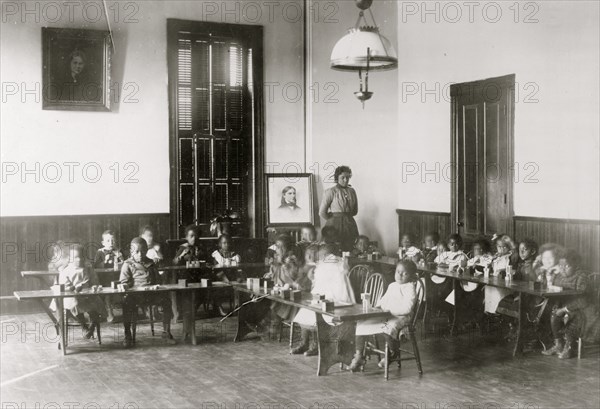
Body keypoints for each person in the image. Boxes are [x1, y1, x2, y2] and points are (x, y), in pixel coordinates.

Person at [349, 260, 418, 371]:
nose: (400, 275)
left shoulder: (410, 288)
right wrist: (375, 309)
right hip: (387, 315)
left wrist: (389, 310)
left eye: (404, 273)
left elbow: (407, 308)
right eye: (398, 271)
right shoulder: (392, 286)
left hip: (402, 316)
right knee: (361, 323)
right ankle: (359, 355)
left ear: (411, 276)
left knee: (388, 327)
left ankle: (392, 353)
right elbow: (383, 301)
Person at [291, 244, 356, 356]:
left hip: (338, 300)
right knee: (306, 311)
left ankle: (317, 344)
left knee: (316, 314)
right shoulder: (326, 265)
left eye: (320, 256)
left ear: (327, 255)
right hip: (325, 297)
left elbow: (337, 286)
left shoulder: (334, 265)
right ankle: (304, 343)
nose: (318, 259)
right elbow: (319, 285)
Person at [120, 238, 175, 347]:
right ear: (131, 251)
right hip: (136, 296)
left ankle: (166, 332)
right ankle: (127, 334)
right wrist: (126, 286)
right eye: (137, 252)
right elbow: (124, 282)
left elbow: (158, 279)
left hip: (151, 295)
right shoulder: (127, 264)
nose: (140, 254)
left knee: (166, 300)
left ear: (146, 250)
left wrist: (158, 283)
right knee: (126, 302)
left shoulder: (151, 263)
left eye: (143, 251)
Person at [542, 249, 593, 359]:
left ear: (576, 265)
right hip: (565, 306)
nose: (563, 269)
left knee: (573, 317)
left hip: (583, 309)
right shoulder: (559, 276)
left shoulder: (581, 277)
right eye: (560, 266)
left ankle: (570, 347)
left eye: (567, 266)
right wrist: (549, 279)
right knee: (553, 314)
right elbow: (554, 291)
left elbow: (583, 300)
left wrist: (565, 309)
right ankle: (558, 344)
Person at [59, 244, 106, 340]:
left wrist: (94, 286)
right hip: (73, 296)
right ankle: (84, 326)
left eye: (81, 257)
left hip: (88, 295)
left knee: (97, 304)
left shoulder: (89, 269)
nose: (79, 260)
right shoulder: (66, 271)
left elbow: (95, 281)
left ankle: (92, 327)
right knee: (75, 303)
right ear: (70, 259)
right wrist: (75, 288)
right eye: (75, 257)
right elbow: (65, 288)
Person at [319, 165, 358, 251]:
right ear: (337, 178)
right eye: (342, 177)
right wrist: (333, 219)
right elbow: (322, 212)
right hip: (334, 226)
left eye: (347, 177)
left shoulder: (352, 191)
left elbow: (355, 211)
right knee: (334, 248)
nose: (345, 180)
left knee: (349, 248)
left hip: (349, 224)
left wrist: (346, 217)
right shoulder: (330, 191)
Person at [93, 230, 124, 322]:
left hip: (117, 276)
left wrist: (121, 258)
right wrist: (105, 261)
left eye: (113, 241)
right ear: (103, 243)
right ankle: (109, 312)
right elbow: (96, 266)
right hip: (105, 278)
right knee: (107, 294)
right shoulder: (100, 252)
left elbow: (124, 264)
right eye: (108, 241)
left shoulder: (118, 251)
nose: (111, 243)